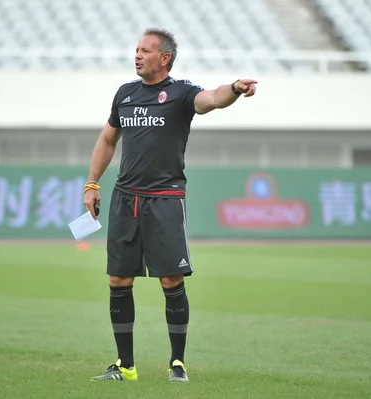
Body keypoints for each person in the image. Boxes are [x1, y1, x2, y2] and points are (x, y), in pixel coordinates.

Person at [83, 27, 257, 383]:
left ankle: (177, 363)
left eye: (145, 51)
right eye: (135, 50)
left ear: (164, 58)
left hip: (164, 199)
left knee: (170, 278)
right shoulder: (125, 94)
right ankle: (125, 366)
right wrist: (91, 183)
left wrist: (235, 89)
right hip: (125, 199)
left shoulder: (180, 94)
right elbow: (106, 139)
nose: (137, 55)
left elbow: (212, 99)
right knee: (118, 278)